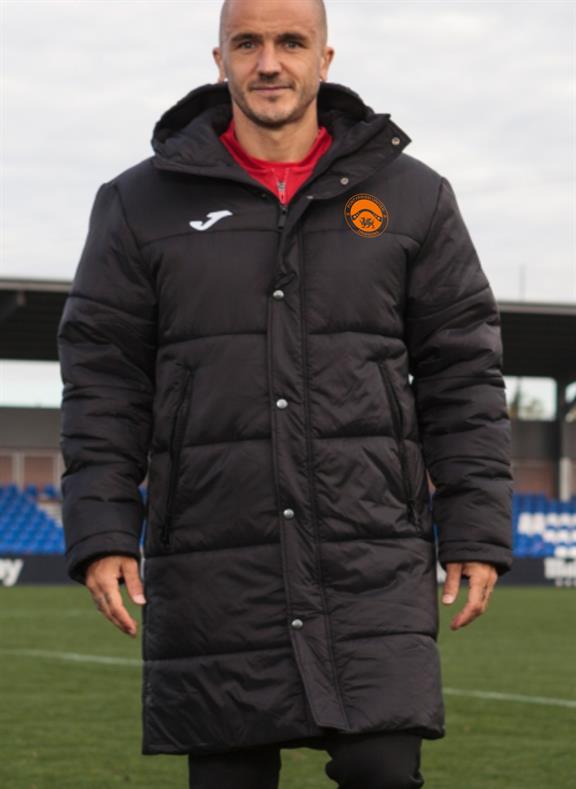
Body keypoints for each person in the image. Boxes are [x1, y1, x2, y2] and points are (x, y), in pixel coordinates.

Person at [57, 0, 514, 786]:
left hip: (369, 556)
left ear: (325, 59)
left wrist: (475, 525)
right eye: (248, 43)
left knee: (383, 770)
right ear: (219, 59)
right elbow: (104, 377)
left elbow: (463, 373)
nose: (269, 62)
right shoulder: (139, 203)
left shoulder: (415, 198)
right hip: (214, 559)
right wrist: (102, 528)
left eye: (291, 42)